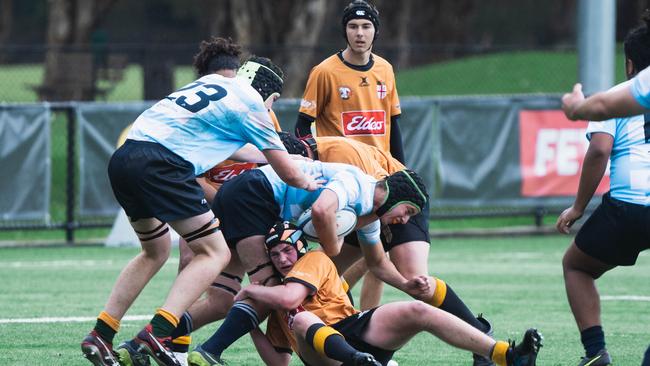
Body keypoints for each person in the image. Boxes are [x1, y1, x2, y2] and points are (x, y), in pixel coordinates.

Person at [80, 37, 321, 366]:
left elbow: (234, 149)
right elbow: (290, 175)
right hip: (163, 165)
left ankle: (102, 333)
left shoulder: (211, 84)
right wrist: (312, 179)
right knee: (216, 252)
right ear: (272, 96)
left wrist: (268, 157)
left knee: (155, 250)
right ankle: (160, 331)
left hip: (125, 157)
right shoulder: (254, 105)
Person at [190, 222, 543, 366]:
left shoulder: (311, 260)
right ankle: (357, 360)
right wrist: (252, 326)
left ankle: (505, 356)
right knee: (303, 318)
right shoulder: (277, 296)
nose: (282, 258)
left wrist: (247, 291)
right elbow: (279, 361)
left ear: (301, 248)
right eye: (276, 254)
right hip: (327, 355)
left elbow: (284, 299)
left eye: (287, 250)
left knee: (414, 311)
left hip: (353, 328)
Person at [280, 133, 498, 365]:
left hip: (401, 202)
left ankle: (481, 334)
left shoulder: (345, 162)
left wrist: (333, 240)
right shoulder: (315, 168)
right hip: (368, 211)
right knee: (325, 273)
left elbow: (384, 193)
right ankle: (359, 341)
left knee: (414, 279)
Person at [188, 160, 430, 364]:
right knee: (271, 290)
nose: (405, 221)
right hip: (255, 193)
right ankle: (208, 351)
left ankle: (161, 335)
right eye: (408, 211)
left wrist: (405, 284)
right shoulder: (357, 183)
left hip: (247, 193)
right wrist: (333, 245)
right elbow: (321, 210)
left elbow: (376, 262)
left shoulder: (370, 217)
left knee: (222, 300)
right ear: (395, 197)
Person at [556, 13, 650, 366]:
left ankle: (596, 352)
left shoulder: (616, 97)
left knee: (576, 267)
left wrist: (578, 207)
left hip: (628, 207)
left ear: (629, 64)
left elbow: (599, 149)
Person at [294, 0, 405, 163]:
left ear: (376, 31)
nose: (359, 33)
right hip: (341, 174)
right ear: (345, 31)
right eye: (353, 26)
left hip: (380, 173)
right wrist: (319, 159)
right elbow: (301, 126)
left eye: (366, 26)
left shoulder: (385, 69)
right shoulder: (324, 72)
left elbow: (393, 126)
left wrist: (402, 170)